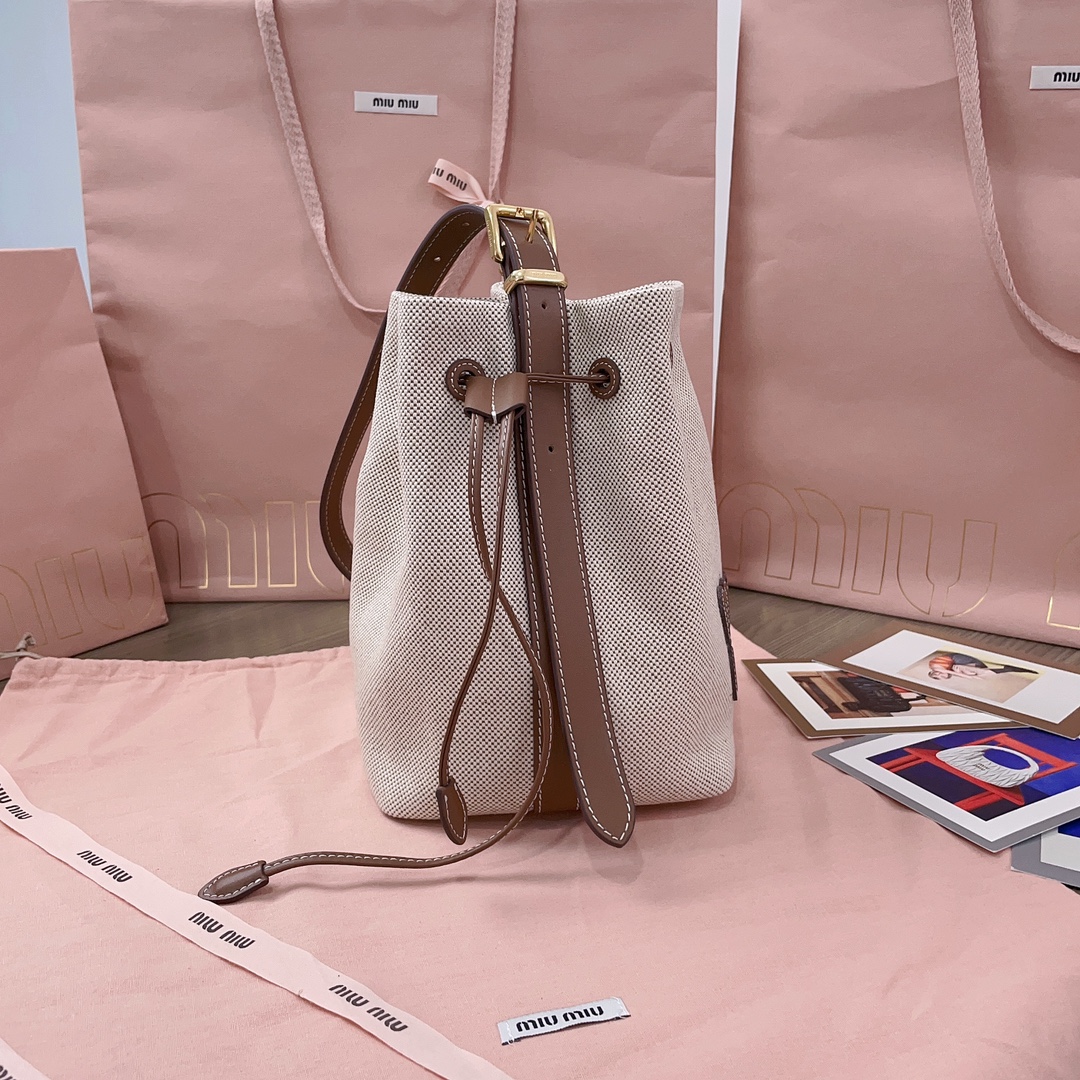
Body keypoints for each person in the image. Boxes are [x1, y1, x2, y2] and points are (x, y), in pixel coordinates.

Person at [926, 652, 1038, 681]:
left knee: (968, 672)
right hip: (966, 662)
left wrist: (974, 677)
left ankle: (1005, 669)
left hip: (956, 658)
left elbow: (955, 673)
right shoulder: (947, 669)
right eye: (943, 676)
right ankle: (1005, 669)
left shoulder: (935, 667)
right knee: (970, 672)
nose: (940, 674)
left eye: (938, 675)